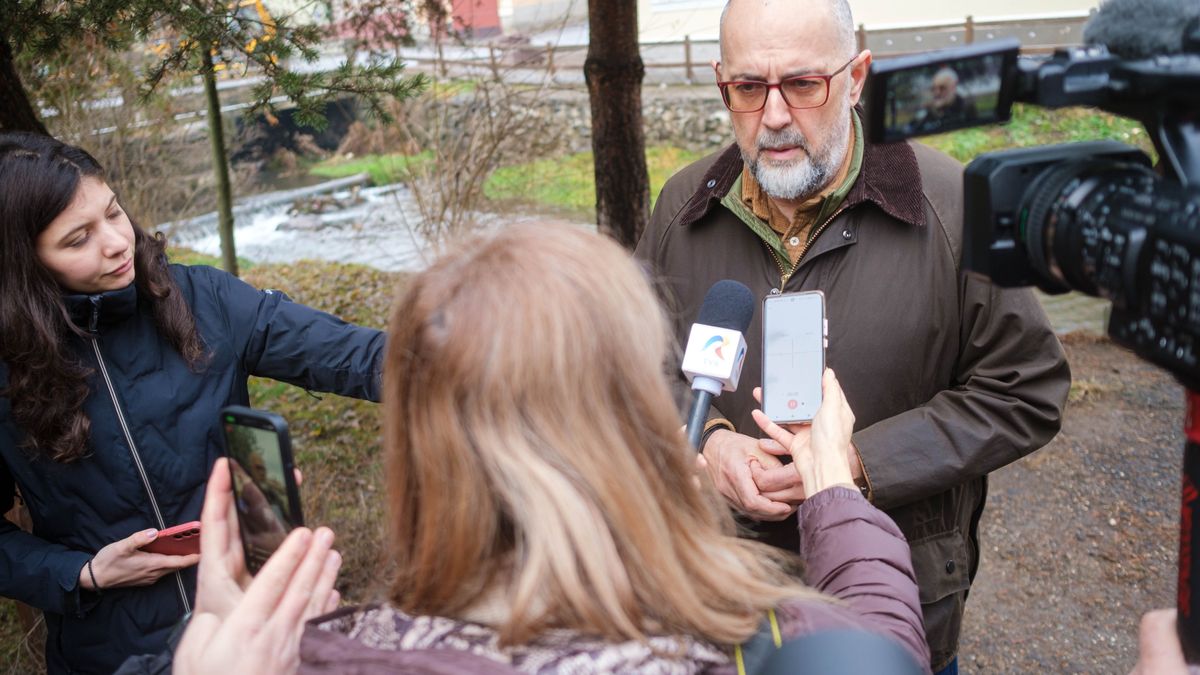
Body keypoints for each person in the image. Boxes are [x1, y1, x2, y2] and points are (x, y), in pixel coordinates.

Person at [166, 222, 930, 674]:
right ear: (632, 431)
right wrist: (833, 486)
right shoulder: (753, 650)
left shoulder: (294, 657)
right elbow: (880, 648)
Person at [634, 1, 1072, 672]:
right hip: (717, 609)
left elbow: (1026, 389)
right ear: (723, 82)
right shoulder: (681, 206)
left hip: (892, 619)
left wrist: (856, 464)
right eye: (748, 87)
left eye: (803, 84)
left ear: (857, 76)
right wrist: (709, 443)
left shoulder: (952, 206)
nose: (773, 116)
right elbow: (635, 369)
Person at [0, 131, 385, 674]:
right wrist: (82, 573)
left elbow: (357, 356)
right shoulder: (8, 367)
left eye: (113, 212)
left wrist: (476, 364)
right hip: (110, 654)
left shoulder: (204, 300)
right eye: (78, 239)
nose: (117, 242)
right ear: (25, 264)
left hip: (258, 627)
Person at [911, 67, 978, 134]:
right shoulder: (926, 113)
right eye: (934, 88)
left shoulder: (966, 109)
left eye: (942, 88)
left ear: (954, 87)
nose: (937, 93)